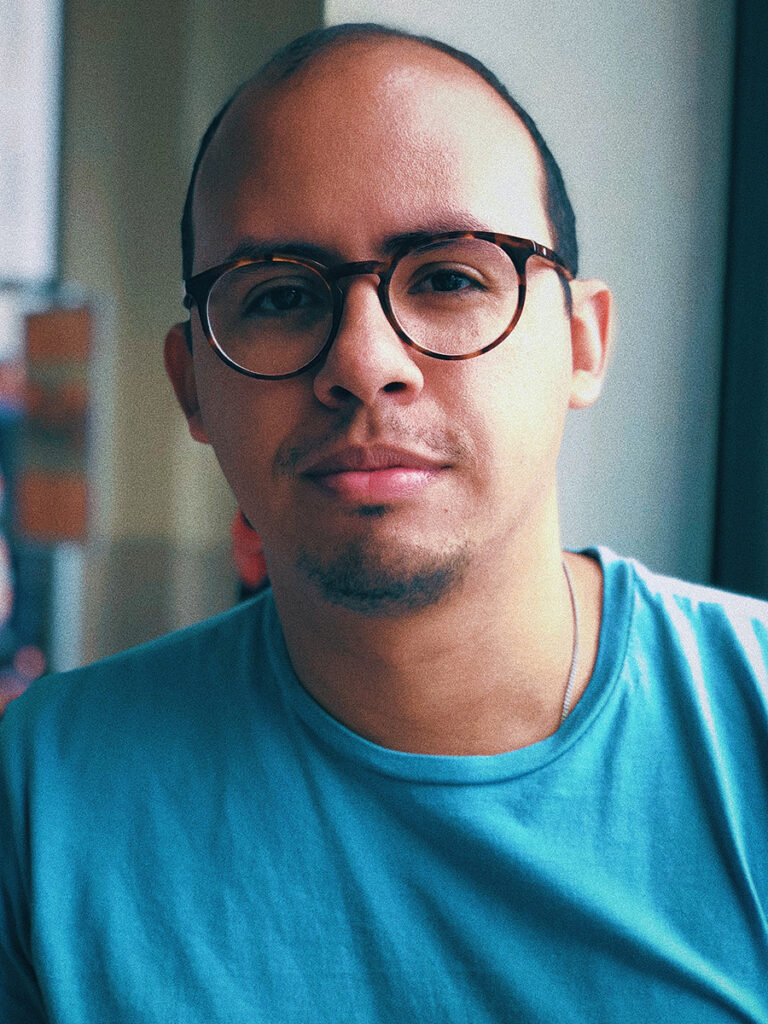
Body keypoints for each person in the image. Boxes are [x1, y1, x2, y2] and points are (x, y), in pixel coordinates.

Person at [2, 22, 767, 1023]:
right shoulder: (44, 795)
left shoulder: (750, 724)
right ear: (192, 385)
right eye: (279, 294)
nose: (364, 361)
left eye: (450, 277)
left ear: (583, 343)